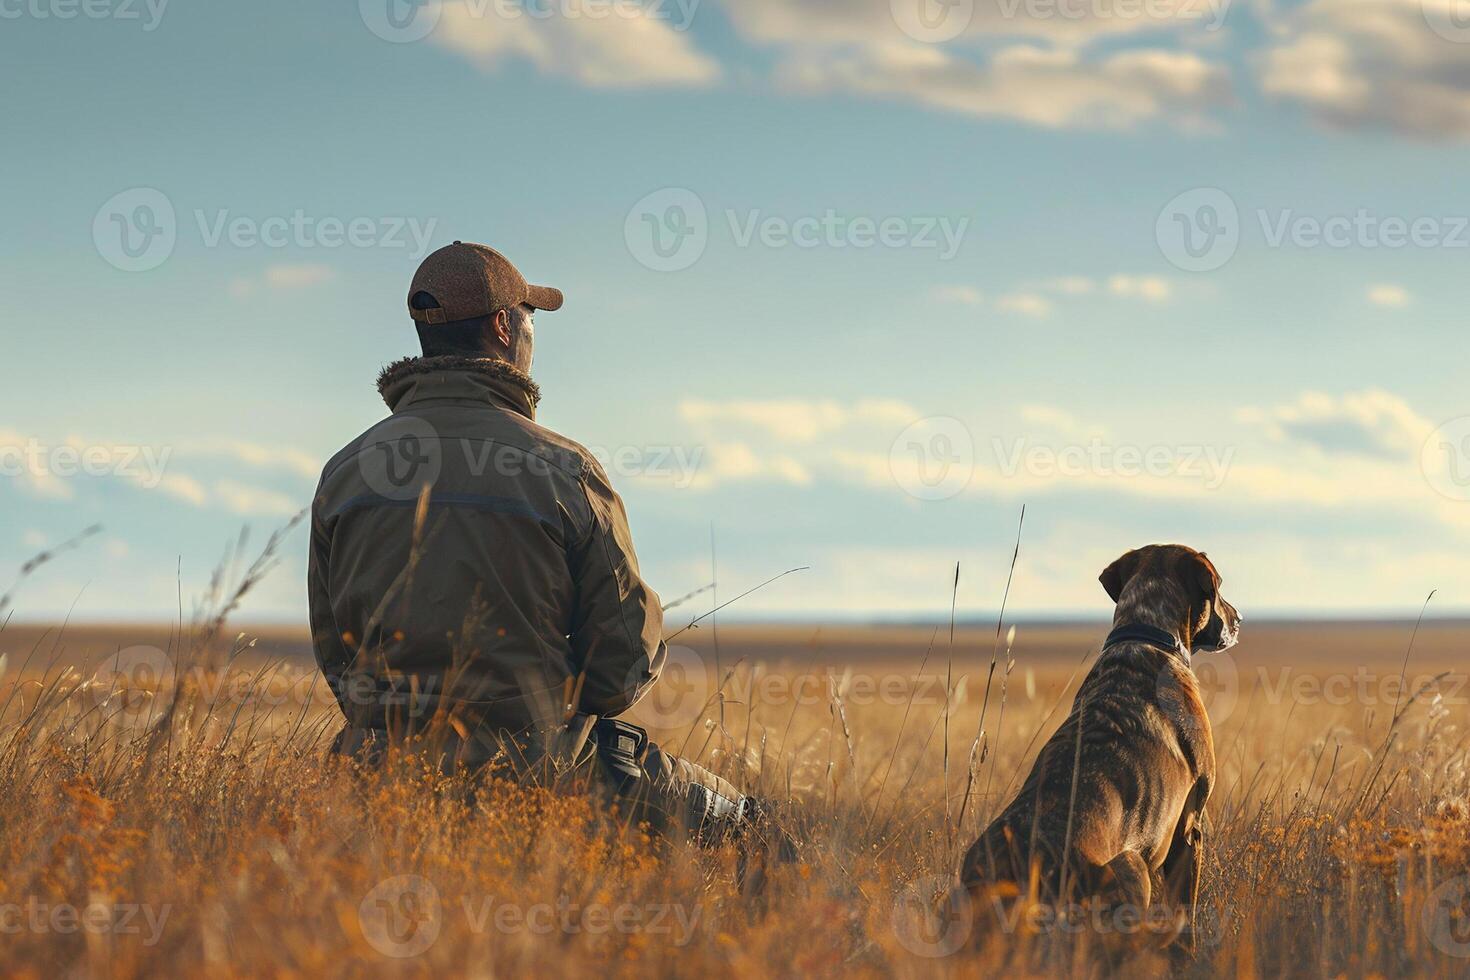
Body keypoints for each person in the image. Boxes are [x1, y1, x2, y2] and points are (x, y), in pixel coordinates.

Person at [307, 241, 775, 848]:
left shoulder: (346, 471)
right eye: (530, 318)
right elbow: (620, 667)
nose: (531, 335)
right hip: (544, 773)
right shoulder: (563, 468)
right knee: (754, 830)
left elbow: (335, 656)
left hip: (376, 776)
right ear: (503, 326)